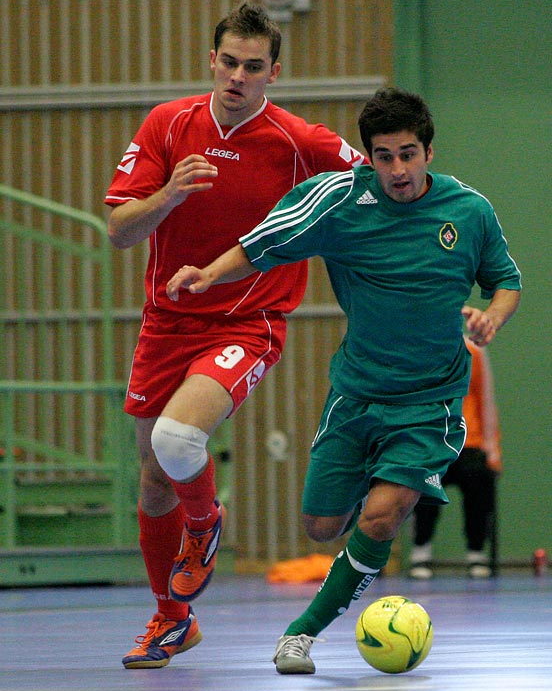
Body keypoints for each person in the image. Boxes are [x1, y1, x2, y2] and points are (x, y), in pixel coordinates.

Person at [165, 86, 522, 675]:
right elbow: (260, 247)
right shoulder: (336, 202)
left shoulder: (470, 212)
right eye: (384, 156)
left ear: (429, 151)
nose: (398, 169)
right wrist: (209, 274)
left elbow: (506, 281)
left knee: (381, 517)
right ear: (369, 157)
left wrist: (492, 317)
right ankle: (367, 524)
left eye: (408, 153)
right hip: (356, 396)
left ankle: (300, 633)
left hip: (430, 402)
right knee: (322, 525)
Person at [104, 2, 367, 670]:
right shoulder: (169, 124)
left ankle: (205, 522)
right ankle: (172, 619)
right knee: (153, 480)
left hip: (249, 321)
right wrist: (168, 195)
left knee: (177, 439)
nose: (238, 77)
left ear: (273, 72)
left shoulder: (298, 141)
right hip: (167, 320)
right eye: (229, 63)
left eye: (254, 67)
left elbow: (377, 184)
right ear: (211, 62)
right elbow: (118, 229)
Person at [409, 336, 502, 580]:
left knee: (478, 487)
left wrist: (493, 450)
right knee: (426, 490)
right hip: (433, 441)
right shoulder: (421, 349)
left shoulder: (474, 351)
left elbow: (486, 397)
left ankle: (476, 553)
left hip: (469, 441)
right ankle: (421, 552)